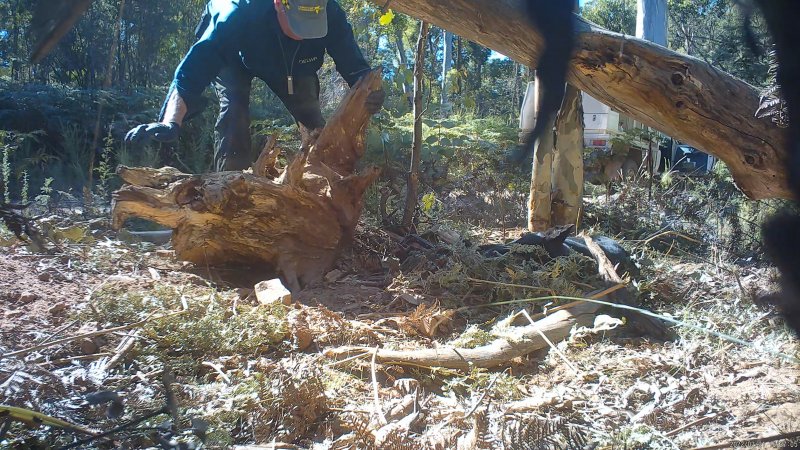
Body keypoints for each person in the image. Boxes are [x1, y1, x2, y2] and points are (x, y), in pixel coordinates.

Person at [126, 0, 385, 171]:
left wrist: (370, 92)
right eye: (298, 24)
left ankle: (323, 191)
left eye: (311, 27)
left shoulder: (331, 12)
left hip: (294, 66)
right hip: (235, 54)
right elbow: (194, 69)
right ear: (279, 5)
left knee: (316, 125)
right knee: (234, 111)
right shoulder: (236, 11)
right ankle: (228, 191)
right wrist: (172, 121)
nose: (303, 33)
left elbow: (354, 65)